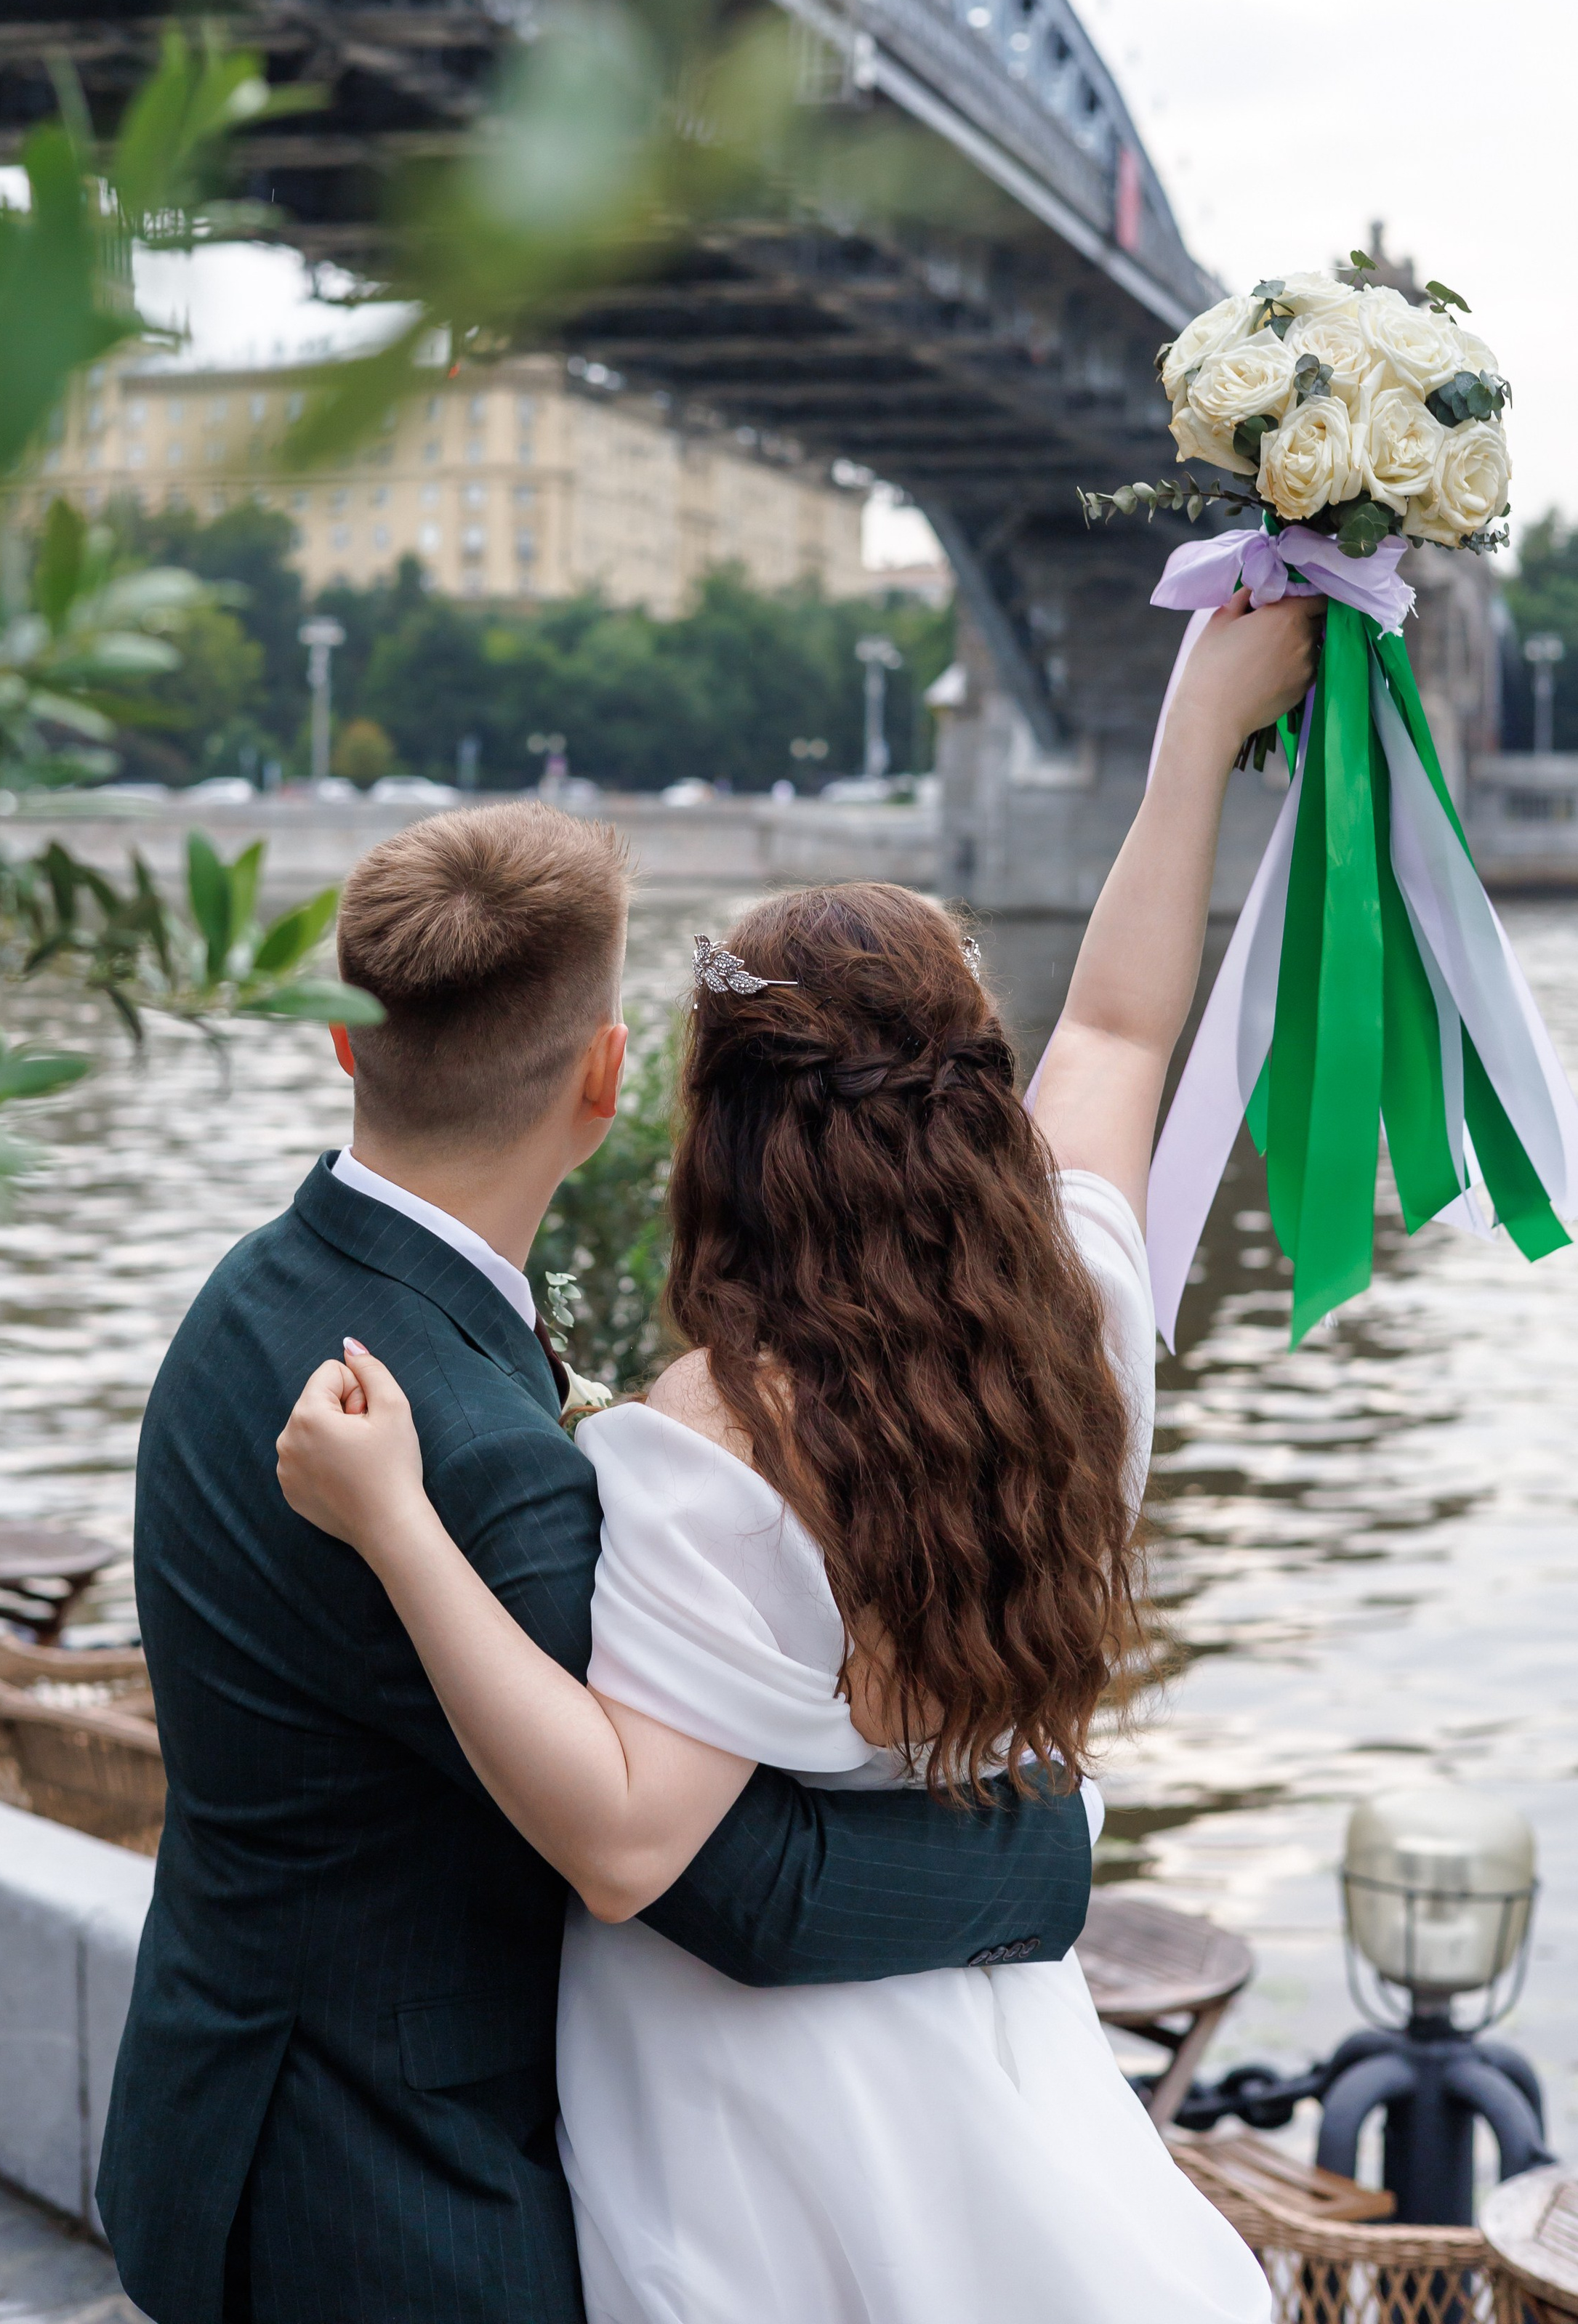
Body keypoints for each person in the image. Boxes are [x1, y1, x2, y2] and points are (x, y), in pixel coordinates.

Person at [274, 590, 1320, 2324]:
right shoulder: (1077, 1319)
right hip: (984, 2058)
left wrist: (395, 1530)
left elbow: (623, 1839)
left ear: (722, 1137)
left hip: (748, 2115)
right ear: (973, 1095)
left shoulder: (714, 1440)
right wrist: (1197, 729)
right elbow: (1126, 1030)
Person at [97, 798, 1104, 2324]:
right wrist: (1050, 1853)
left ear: (343, 1046)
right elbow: (727, 1885)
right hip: (398, 2196)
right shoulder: (480, 1461)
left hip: (214, 2102)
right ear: (603, 1075)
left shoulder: (253, 1292)